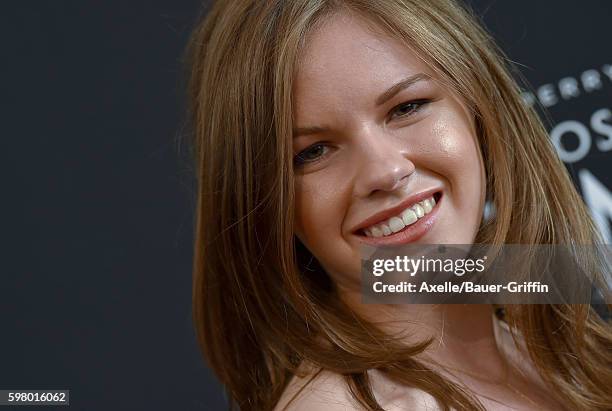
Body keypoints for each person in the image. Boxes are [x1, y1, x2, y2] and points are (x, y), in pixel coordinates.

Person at [184, 0, 612, 409]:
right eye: (312, 152)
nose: (385, 171)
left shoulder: (558, 344)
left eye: (407, 107)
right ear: (263, 202)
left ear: (479, 106)